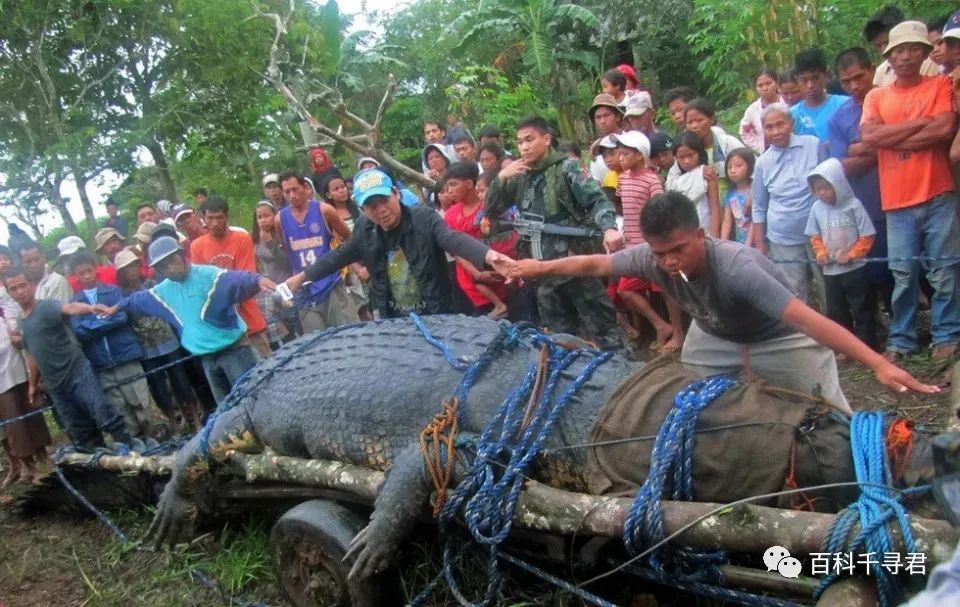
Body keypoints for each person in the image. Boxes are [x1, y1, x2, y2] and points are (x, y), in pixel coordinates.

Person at [506, 192, 940, 414]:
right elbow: (594, 263)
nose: (668, 261)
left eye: (677, 248)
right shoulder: (651, 258)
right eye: (659, 253)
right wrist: (534, 268)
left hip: (780, 339)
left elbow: (810, 321)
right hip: (713, 337)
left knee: (832, 416)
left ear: (701, 235)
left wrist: (877, 363)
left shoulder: (738, 267)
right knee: (693, 403)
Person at [285, 168, 514, 318]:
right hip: (393, 318)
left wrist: (489, 256)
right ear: (363, 210)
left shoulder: (424, 218)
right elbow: (338, 256)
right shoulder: (366, 230)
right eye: (372, 206)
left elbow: (452, 239)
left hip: (437, 312)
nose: (381, 210)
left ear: (396, 193)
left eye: (384, 200)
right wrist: (302, 278)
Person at [485, 115, 627, 351]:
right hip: (541, 273)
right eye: (520, 142)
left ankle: (628, 378)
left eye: (529, 140)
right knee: (560, 339)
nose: (524, 147)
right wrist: (501, 178)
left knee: (605, 331)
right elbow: (490, 211)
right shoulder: (520, 175)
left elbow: (597, 201)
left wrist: (610, 229)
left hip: (576, 266)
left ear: (546, 139)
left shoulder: (567, 167)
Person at [862, 21, 960, 362]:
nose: (906, 56)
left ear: (924, 53)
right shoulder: (877, 95)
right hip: (898, 199)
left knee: (944, 269)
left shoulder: (940, 85)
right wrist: (920, 125)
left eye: (913, 49)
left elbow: (945, 128)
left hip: (938, 193)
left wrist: (895, 135)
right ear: (889, 56)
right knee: (903, 274)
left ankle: (946, 334)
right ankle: (902, 339)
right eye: (899, 50)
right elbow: (870, 137)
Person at [105, 236, 276, 404]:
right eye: (163, 266)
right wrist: (116, 307)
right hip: (207, 359)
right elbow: (137, 300)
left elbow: (237, 279)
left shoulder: (209, 275)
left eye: (172, 261)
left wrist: (258, 280)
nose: (170, 269)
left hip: (235, 352)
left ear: (181, 255)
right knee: (228, 412)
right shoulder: (163, 291)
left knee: (256, 400)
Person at [6, 268, 132, 450]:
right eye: (14, 288)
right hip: (55, 385)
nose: (20, 291)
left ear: (31, 286)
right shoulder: (21, 322)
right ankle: (102, 467)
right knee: (80, 430)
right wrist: (33, 385)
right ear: (9, 293)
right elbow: (32, 354)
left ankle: (131, 453)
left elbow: (69, 308)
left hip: (77, 372)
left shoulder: (47, 307)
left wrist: (90, 308)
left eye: (23, 285)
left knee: (104, 414)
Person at [829, 47, 894, 314]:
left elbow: (915, 142)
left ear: (871, 69)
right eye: (846, 81)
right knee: (879, 270)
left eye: (859, 77)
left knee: (920, 266)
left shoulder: (894, 99)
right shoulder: (840, 117)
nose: (854, 86)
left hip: (907, 194)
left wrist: (863, 147)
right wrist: (886, 147)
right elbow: (841, 166)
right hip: (869, 203)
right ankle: (894, 323)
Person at [69, 252, 159, 439]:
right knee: (120, 407)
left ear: (96, 269)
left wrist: (93, 324)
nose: (87, 276)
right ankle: (135, 445)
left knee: (140, 401)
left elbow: (121, 316)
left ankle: (152, 437)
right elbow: (79, 331)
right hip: (101, 363)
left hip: (125, 355)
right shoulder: (75, 303)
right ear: (75, 276)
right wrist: (105, 320)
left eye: (89, 270)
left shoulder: (112, 291)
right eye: (81, 273)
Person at [113, 248, 202, 430]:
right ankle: (174, 423)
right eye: (127, 268)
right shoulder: (121, 295)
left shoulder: (153, 285)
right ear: (121, 273)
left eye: (134, 265)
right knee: (159, 388)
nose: (132, 270)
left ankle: (195, 417)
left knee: (181, 381)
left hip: (168, 341)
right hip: (145, 348)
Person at [611, 131, 683, 351]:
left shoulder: (652, 180)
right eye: (619, 154)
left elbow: (660, 211)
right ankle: (660, 326)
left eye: (624, 154)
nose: (620, 159)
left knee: (665, 290)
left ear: (639, 155)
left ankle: (678, 334)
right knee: (625, 290)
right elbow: (624, 209)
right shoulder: (622, 180)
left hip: (652, 246)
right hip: (632, 245)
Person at [751, 103, 827, 303]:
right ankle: (801, 333)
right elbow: (759, 207)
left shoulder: (813, 145)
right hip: (782, 237)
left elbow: (830, 183)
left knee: (827, 285)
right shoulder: (762, 162)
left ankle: (835, 329)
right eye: (769, 127)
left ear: (791, 123)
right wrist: (760, 246)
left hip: (818, 232)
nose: (775, 131)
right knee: (793, 290)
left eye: (780, 124)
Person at [804, 158, 878, 353]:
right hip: (831, 271)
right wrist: (820, 252)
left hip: (855, 268)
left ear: (837, 183)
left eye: (826, 188)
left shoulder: (853, 205)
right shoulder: (816, 209)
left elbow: (867, 234)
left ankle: (868, 347)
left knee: (862, 308)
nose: (821, 193)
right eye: (817, 189)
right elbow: (814, 234)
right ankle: (846, 349)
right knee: (837, 311)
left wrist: (854, 253)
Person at [276, 172, 361, 332]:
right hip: (304, 291)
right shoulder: (280, 219)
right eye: (287, 192)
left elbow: (350, 239)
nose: (292, 195)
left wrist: (354, 268)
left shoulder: (324, 210)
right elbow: (286, 250)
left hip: (331, 283)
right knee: (319, 344)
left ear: (305, 188)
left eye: (295, 189)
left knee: (350, 334)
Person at [190, 196, 272, 358]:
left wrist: (219, 289)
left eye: (219, 217)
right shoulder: (197, 246)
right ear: (203, 219)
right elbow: (201, 286)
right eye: (210, 218)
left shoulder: (242, 239)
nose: (215, 223)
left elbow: (246, 279)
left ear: (227, 217)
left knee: (269, 370)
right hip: (222, 330)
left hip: (250, 321)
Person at [443, 162, 509, 319]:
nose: (449, 190)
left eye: (453, 184)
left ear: (469, 183)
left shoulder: (488, 208)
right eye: (448, 185)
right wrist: (477, 274)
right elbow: (455, 250)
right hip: (469, 281)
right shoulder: (451, 215)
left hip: (498, 273)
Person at [0, 308, 50, 487]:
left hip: (20, 375)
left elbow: (20, 340)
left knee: (34, 417)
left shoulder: (4, 318)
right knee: (15, 427)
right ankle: (31, 467)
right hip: (2, 387)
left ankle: (45, 461)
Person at [864, 5, 940, 86]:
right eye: (878, 46)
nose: (884, 49)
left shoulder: (932, 62)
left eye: (887, 42)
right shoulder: (880, 73)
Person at [665, 132, 721, 237]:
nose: (686, 161)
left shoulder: (707, 174)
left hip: (705, 229)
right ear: (675, 158)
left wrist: (715, 236)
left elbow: (715, 207)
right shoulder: (672, 177)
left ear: (699, 153)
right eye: (681, 157)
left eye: (691, 155)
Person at [790, 48, 849, 145]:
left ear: (826, 75)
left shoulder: (844, 105)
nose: (810, 85)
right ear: (797, 80)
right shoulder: (792, 115)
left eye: (815, 78)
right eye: (804, 80)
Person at [682, 97, 745, 185]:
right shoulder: (683, 149)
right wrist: (697, 174)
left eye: (700, 120)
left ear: (711, 119)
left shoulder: (728, 143)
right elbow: (673, 182)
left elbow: (752, 169)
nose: (694, 126)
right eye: (690, 122)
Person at [740, 69, 784, 153]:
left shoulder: (788, 102)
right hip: (769, 153)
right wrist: (759, 146)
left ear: (777, 83)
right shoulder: (753, 110)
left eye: (768, 83)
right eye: (760, 85)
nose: (765, 88)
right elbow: (744, 132)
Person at [721, 148, 755, 245]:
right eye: (729, 167)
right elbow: (727, 221)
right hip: (740, 243)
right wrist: (723, 243)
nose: (732, 171)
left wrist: (747, 245)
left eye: (738, 166)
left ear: (750, 166)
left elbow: (755, 219)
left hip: (758, 243)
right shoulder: (730, 193)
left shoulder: (755, 191)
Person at [588, 93, 624, 183]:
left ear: (618, 117)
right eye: (598, 117)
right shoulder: (596, 150)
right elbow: (597, 183)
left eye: (606, 115)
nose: (602, 121)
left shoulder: (630, 141)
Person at [422, 143, 454, 207]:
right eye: (430, 158)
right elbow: (424, 201)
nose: (434, 160)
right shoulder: (428, 178)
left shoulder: (454, 175)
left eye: (437, 156)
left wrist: (439, 180)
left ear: (445, 158)